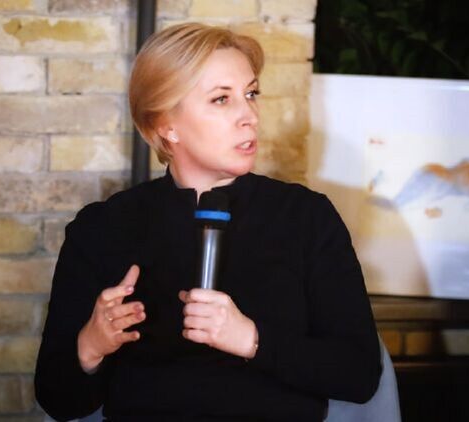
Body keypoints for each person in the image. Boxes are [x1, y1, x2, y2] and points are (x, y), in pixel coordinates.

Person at [34, 22, 381, 422]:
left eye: (251, 94)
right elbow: (58, 400)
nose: (249, 115)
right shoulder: (103, 228)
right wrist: (91, 345)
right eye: (221, 99)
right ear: (165, 125)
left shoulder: (306, 217)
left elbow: (359, 374)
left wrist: (250, 339)